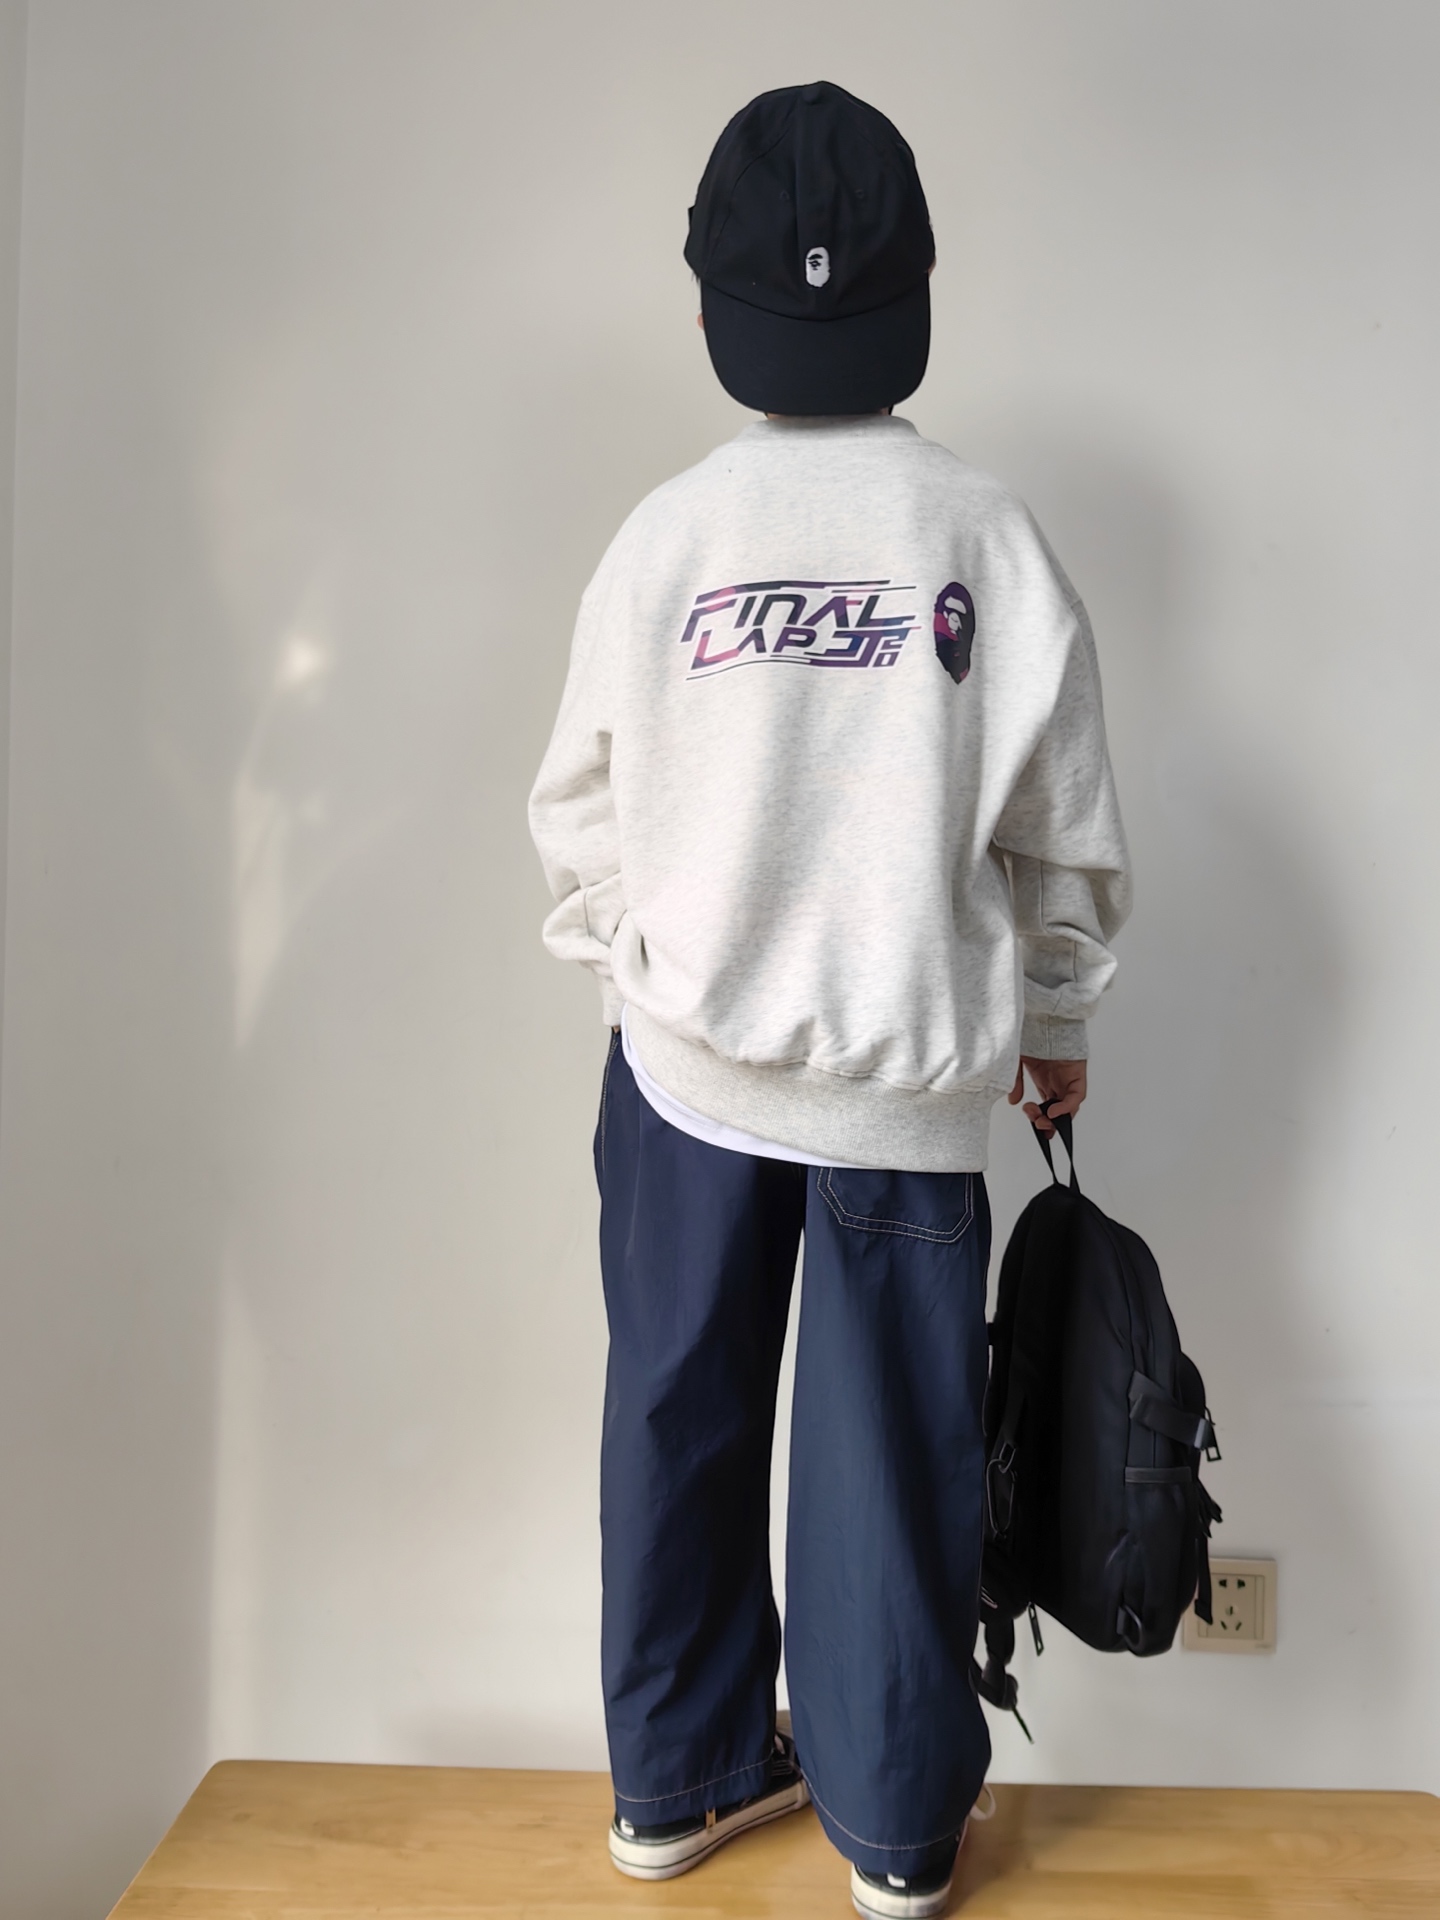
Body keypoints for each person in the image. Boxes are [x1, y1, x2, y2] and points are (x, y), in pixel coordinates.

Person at [529, 80, 1129, 1920]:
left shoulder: (666, 538)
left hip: (686, 1075)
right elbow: (1063, 833)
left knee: (676, 1422)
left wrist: (641, 958)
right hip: (903, 1078)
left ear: (717, 300)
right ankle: (892, 1833)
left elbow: (578, 804)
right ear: (913, 288)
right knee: (888, 1464)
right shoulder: (982, 533)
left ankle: (677, 1785)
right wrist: (1054, 1023)